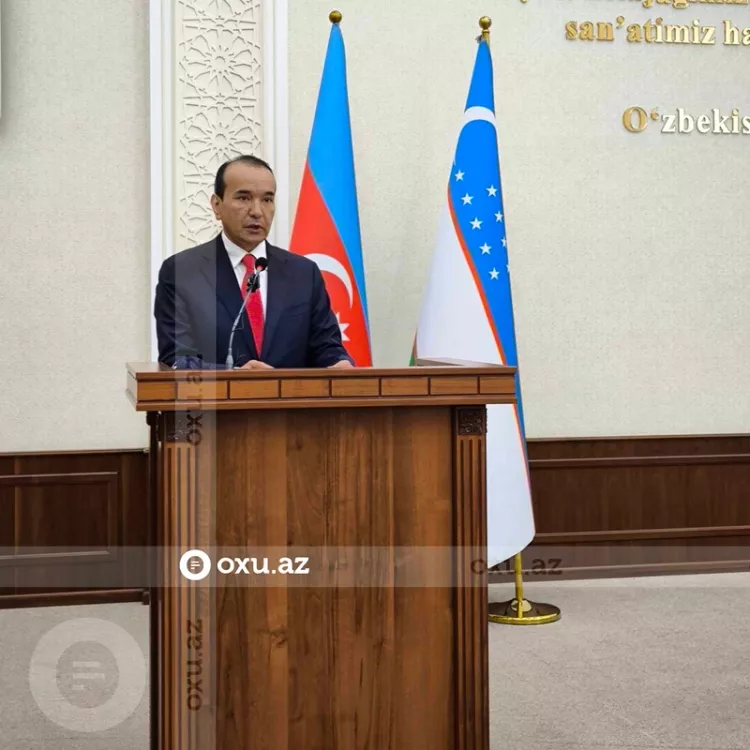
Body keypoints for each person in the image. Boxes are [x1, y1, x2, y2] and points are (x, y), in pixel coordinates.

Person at [154, 155, 353, 369]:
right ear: (217, 205)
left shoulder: (304, 273)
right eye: (243, 198)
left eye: (267, 200)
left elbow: (327, 346)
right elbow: (177, 359)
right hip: (218, 392)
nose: (257, 212)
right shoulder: (182, 271)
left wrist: (339, 363)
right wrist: (236, 375)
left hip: (290, 393)